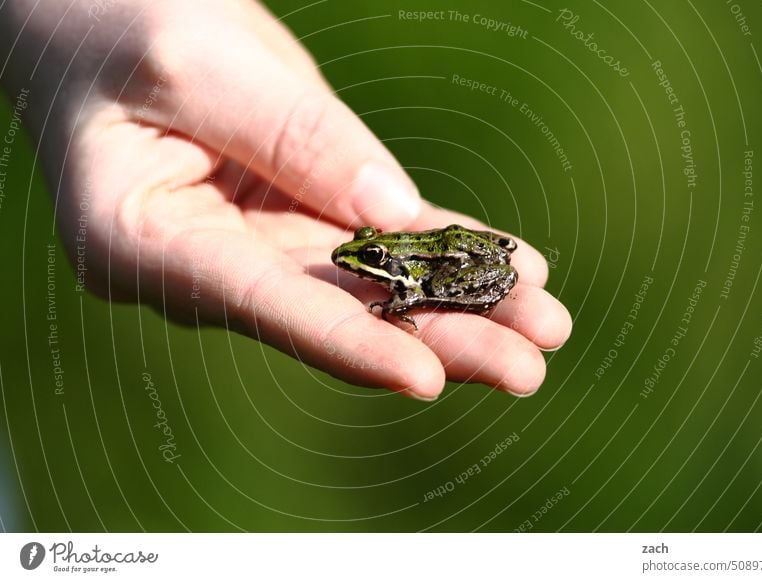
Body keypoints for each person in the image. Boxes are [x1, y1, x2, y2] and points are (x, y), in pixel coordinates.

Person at [0, 0, 571, 400]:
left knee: (437, 295)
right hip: (462, 245)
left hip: (454, 262)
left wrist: (402, 309)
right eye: (363, 251)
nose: (354, 260)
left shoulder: (402, 273)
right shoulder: (375, 256)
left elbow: (411, 292)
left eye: (367, 259)